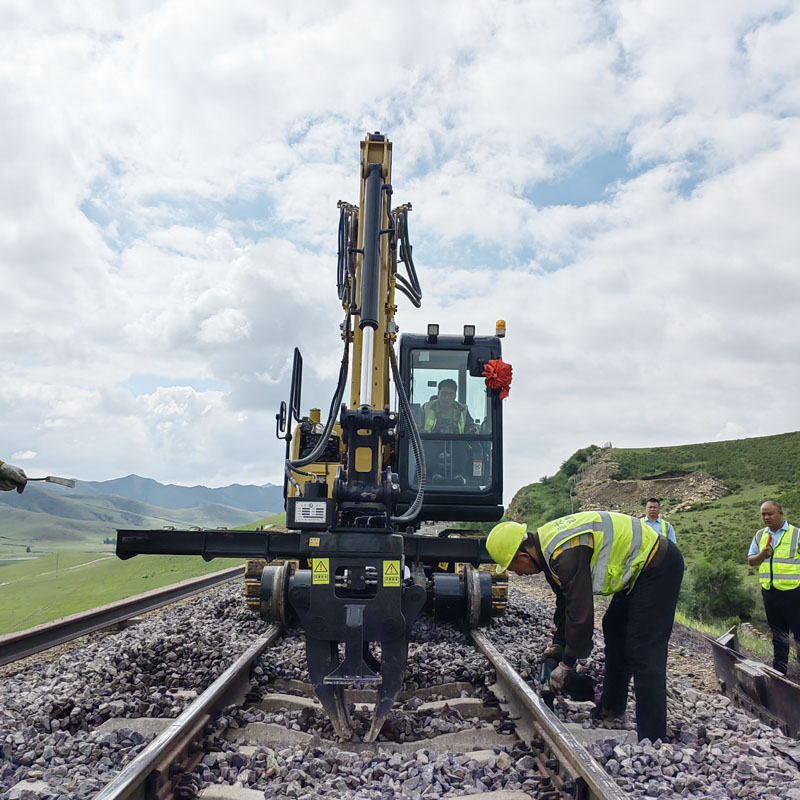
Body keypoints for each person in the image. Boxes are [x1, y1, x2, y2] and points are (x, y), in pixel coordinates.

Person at [486, 511, 684, 742]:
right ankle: (611, 709)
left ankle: (653, 738)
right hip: (640, 569)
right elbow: (565, 603)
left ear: (523, 555)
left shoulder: (564, 554)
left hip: (658, 564)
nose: (518, 573)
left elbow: (581, 615)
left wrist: (567, 664)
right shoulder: (547, 549)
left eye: (513, 567)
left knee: (644, 649)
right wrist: (558, 645)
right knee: (614, 628)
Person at [747, 500, 800, 675]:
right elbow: (751, 561)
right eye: (763, 514)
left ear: (781, 514)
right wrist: (762, 555)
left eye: (770, 514)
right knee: (778, 636)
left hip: (794, 593)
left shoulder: (796, 534)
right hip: (770, 593)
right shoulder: (760, 535)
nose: (766, 517)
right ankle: (780, 672)